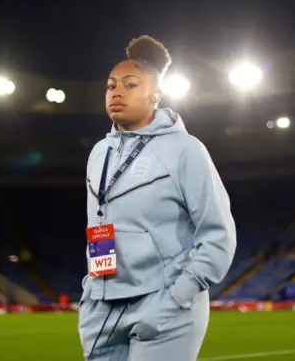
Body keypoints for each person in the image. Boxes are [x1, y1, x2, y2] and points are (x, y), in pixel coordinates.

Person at [78, 35, 237, 361]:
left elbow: (219, 236)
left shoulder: (185, 149)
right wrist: (91, 293)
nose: (117, 91)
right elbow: (100, 227)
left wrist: (177, 298)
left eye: (131, 84)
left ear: (156, 95)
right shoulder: (98, 154)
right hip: (103, 308)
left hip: (165, 304)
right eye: (111, 86)